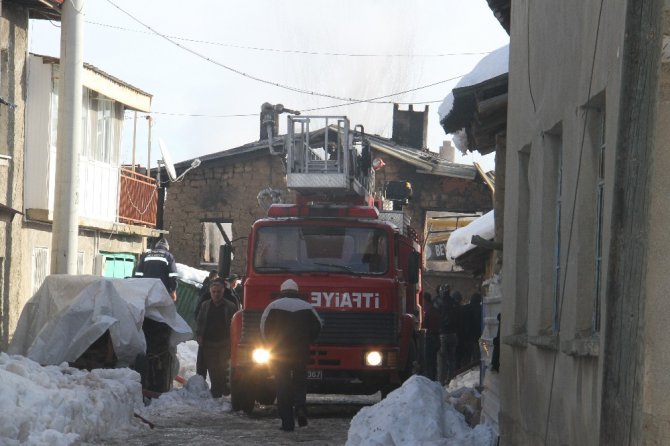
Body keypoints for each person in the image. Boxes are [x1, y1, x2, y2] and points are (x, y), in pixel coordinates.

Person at [260, 279, 322, 432]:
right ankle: (300, 406)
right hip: (300, 353)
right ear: (296, 291)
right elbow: (318, 326)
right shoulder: (307, 307)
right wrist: (308, 341)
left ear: (282, 291)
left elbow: (263, 327)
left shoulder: (273, 306)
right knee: (300, 382)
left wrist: (271, 343)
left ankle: (287, 423)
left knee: (283, 385)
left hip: (280, 353)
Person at [195, 277, 237, 397]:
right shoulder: (205, 305)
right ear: (210, 292)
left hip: (224, 342)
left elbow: (234, 324)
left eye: (219, 292)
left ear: (223, 292)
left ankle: (224, 390)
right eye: (214, 292)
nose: (216, 294)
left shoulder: (230, 306)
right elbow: (200, 321)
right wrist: (199, 335)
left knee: (223, 368)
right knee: (213, 369)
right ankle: (216, 392)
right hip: (209, 343)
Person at [422, 292, 441, 381]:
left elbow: (424, 325)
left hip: (430, 338)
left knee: (429, 360)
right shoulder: (435, 310)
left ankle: (430, 379)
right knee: (434, 360)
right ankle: (434, 377)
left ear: (425, 300)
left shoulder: (428, 311)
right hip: (437, 337)